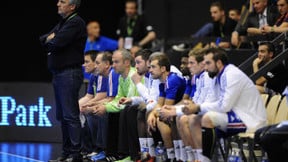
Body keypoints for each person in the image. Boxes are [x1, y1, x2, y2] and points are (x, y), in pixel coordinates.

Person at [181, 47, 267, 162]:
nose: (205, 67)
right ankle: (200, 158)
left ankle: (205, 159)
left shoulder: (230, 74)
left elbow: (224, 106)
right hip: (237, 115)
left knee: (203, 119)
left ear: (219, 63)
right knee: (196, 119)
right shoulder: (218, 76)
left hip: (250, 120)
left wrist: (197, 107)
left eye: (208, 63)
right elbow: (216, 102)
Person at [39, 0, 86, 161]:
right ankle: (66, 153)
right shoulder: (63, 23)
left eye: (62, 1)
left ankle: (75, 154)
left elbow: (56, 43)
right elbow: (43, 39)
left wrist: (52, 39)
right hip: (59, 74)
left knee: (70, 115)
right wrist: (50, 39)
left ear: (72, 6)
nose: (58, 4)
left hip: (69, 74)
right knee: (62, 115)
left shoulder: (75, 22)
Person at [81, 51, 120, 161]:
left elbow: (111, 99)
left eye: (97, 63)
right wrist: (91, 104)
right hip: (117, 103)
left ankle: (102, 149)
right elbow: (108, 98)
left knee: (100, 112)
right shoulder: (100, 75)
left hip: (122, 105)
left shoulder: (112, 74)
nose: (95, 66)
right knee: (94, 109)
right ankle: (91, 149)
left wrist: (93, 105)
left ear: (107, 64)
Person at [146, 53, 186, 161]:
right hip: (175, 109)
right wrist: (151, 114)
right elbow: (159, 104)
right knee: (154, 116)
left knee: (162, 118)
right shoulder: (162, 83)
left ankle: (176, 157)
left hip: (185, 108)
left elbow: (167, 107)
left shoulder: (172, 80)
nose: (150, 70)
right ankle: (170, 156)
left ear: (163, 68)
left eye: (153, 67)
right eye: (150, 67)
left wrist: (155, 113)